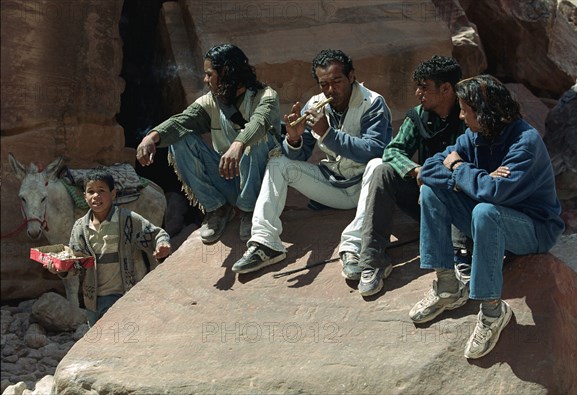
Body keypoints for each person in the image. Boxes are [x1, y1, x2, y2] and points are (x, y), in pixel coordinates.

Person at [409, 75, 564, 359]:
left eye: (465, 110)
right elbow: (429, 168)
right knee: (432, 192)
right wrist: (468, 177)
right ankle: (447, 287)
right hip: (491, 221)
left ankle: (493, 311)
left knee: (484, 209)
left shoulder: (525, 142)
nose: (460, 115)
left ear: (485, 112)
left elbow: (492, 192)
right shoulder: (475, 136)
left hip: (533, 229)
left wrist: (458, 167)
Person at [232, 49, 393, 274]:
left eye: (337, 81)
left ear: (352, 77)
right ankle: (265, 243)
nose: (330, 90)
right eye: (323, 84)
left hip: (365, 188)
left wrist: (328, 134)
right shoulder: (315, 105)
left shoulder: (372, 102)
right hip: (333, 187)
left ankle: (354, 247)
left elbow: (375, 149)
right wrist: (294, 139)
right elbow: (298, 156)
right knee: (278, 163)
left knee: (377, 165)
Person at [338, 55, 470, 297]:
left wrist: (437, 174)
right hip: (426, 200)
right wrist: (416, 170)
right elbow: (392, 150)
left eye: (424, 87)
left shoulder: (468, 115)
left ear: (446, 88)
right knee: (382, 170)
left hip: (461, 204)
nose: (418, 93)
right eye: (417, 87)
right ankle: (373, 260)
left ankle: (461, 255)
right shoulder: (418, 116)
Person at [136, 44, 281, 244]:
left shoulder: (266, 96)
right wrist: (151, 137)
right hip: (229, 176)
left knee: (256, 141)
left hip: (263, 181)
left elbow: (260, 122)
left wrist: (238, 144)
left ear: (226, 72)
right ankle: (218, 208)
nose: (205, 80)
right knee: (180, 140)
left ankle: (250, 211)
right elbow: (182, 121)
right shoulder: (212, 101)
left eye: (209, 74)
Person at [52, 170, 171, 325]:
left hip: (122, 295)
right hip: (92, 300)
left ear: (113, 194)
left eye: (101, 191)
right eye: (91, 192)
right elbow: (77, 263)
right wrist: (62, 268)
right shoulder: (80, 227)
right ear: (84, 196)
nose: (96, 196)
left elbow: (156, 234)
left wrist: (162, 244)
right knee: (99, 342)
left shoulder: (127, 220)